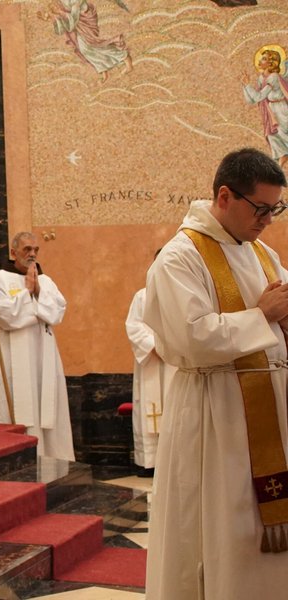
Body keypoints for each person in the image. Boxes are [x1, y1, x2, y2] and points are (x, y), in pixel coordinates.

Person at [144, 147, 288, 600]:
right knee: (222, 533)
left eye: (276, 208)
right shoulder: (179, 257)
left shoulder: (263, 253)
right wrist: (261, 317)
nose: (268, 220)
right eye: (261, 208)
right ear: (225, 196)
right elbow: (189, 340)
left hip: (268, 415)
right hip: (215, 417)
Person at [0, 231, 74, 461]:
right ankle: (16, 460)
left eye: (36, 250)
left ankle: (54, 459)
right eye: (27, 249)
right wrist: (28, 294)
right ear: (13, 252)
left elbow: (57, 312)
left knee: (47, 406)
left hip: (44, 357)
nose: (33, 254)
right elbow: (5, 316)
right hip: (15, 359)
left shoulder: (45, 281)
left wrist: (37, 291)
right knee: (19, 406)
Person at [124, 249, 176, 476]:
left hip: (176, 363)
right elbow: (134, 326)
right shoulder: (142, 296)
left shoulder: (181, 296)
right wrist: (154, 346)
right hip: (154, 362)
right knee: (153, 410)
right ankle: (151, 462)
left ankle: (176, 461)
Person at [37, 0, 132, 83]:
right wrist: (52, 17)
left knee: (94, 45)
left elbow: (72, 22)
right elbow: (62, 27)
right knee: (85, 50)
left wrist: (61, 13)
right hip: (78, 25)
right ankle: (104, 71)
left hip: (85, 22)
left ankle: (125, 59)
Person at [242, 45, 288, 171]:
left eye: (263, 59)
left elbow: (259, 96)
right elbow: (252, 100)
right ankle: (282, 162)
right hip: (271, 110)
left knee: (284, 138)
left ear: (270, 62)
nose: (260, 61)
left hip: (281, 110)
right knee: (274, 138)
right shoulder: (262, 78)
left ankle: (281, 165)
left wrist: (247, 86)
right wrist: (245, 87)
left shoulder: (273, 77)